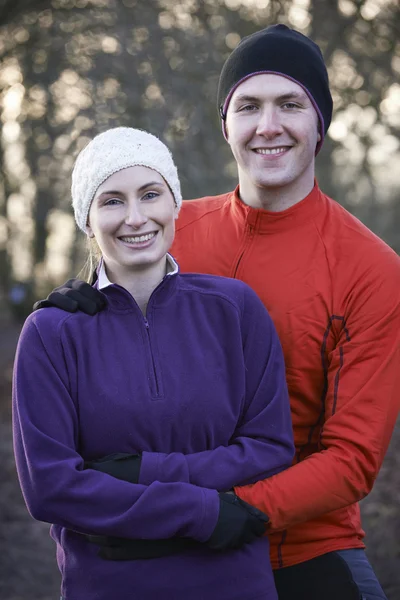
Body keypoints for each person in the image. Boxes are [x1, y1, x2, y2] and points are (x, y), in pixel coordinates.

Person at [32, 25, 400, 600]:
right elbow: (114, 300)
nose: (268, 126)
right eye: (249, 106)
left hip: (306, 541)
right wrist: (77, 296)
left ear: (320, 124)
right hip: (158, 536)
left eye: (291, 105)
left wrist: (231, 511)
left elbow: (351, 459)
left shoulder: (371, 270)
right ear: (225, 123)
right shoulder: (166, 226)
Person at [13, 127, 295, 600]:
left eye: (150, 194)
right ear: (87, 219)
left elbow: (269, 447)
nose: (136, 217)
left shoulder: (234, 309)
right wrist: (201, 512)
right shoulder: (50, 334)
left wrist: (137, 473)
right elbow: (51, 487)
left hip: (233, 582)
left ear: (175, 203)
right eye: (112, 201)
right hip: (110, 585)